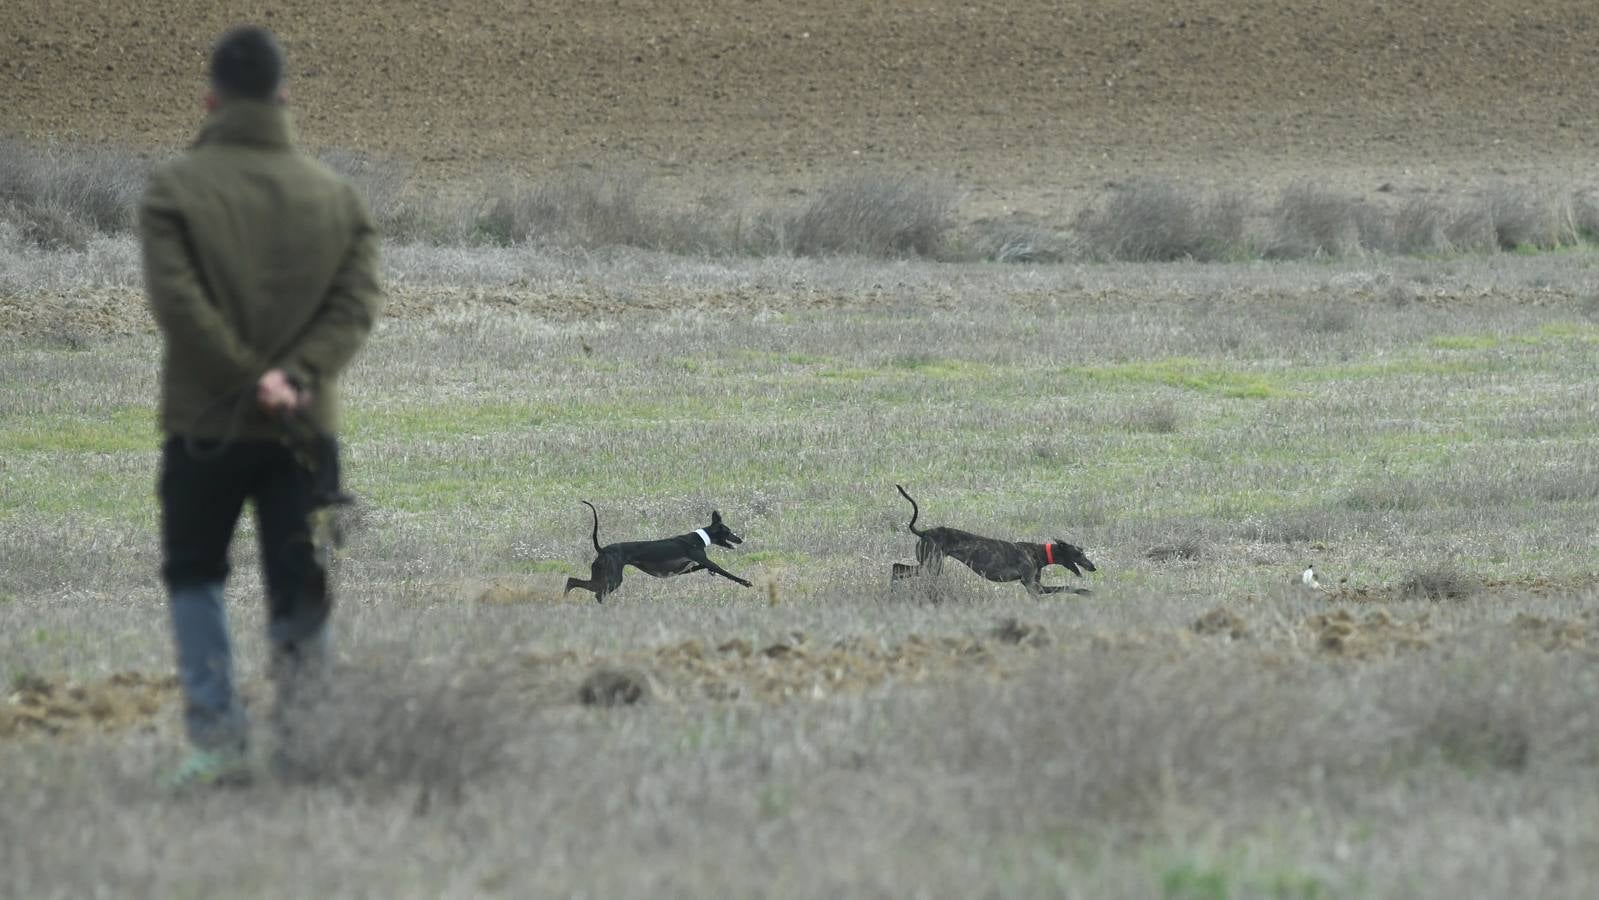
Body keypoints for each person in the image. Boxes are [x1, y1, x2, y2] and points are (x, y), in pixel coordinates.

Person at [139, 25, 382, 786]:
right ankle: (306, 747)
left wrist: (246, 380)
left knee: (195, 576)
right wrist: (293, 377)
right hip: (304, 430)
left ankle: (217, 745)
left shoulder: (172, 190)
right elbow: (355, 305)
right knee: (299, 580)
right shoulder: (337, 197)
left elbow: (179, 307)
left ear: (211, 98)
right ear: (284, 96)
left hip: (204, 427)